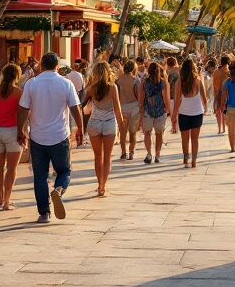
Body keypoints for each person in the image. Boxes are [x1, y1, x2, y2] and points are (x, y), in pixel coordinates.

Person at [18, 52, 84, 224]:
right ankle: (58, 190)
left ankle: (44, 213)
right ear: (58, 66)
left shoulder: (31, 84)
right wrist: (81, 129)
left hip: (38, 136)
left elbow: (23, 109)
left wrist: (20, 131)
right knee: (64, 171)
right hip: (60, 135)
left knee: (40, 175)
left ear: (40, 64)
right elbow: (75, 108)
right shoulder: (66, 83)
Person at [82, 62, 123, 197]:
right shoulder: (113, 88)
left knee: (97, 156)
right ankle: (102, 186)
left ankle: (99, 183)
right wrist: (122, 127)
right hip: (109, 123)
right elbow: (117, 108)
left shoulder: (91, 88)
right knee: (107, 156)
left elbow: (82, 106)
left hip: (94, 123)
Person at [0, 63, 24, 210]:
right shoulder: (19, 93)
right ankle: (7, 201)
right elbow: (22, 113)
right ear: (16, 76)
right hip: (12, 131)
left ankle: (0, 197)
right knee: (11, 167)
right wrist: (23, 132)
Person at [172, 59, 207, 168]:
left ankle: (186, 158)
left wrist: (174, 113)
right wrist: (205, 107)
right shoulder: (198, 80)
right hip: (197, 112)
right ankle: (194, 161)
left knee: (185, 138)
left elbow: (177, 98)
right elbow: (203, 96)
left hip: (183, 113)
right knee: (195, 139)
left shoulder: (179, 81)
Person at [141, 62, 171, 164]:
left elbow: (141, 98)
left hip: (147, 111)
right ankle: (157, 154)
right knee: (159, 133)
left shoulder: (144, 82)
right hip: (160, 111)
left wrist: (141, 110)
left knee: (147, 133)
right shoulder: (163, 82)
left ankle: (149, 154)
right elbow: (166, 99)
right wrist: (168, 110)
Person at [116, 60, 142, 160]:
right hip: (134, 107)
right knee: (133, 132)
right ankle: (131, 152)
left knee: (122, 132)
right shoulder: (136, 80)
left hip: (122, 107)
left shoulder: (118, 80)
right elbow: (139, 97)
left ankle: (123, 152)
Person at [211, 55, 231, 135]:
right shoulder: (229, 71)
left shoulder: (216, 71)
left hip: (217, 93)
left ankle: (219, 128)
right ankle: (224, 128)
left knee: (218, 111)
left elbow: (214, 82)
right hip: (227, 94)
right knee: (225, 111)